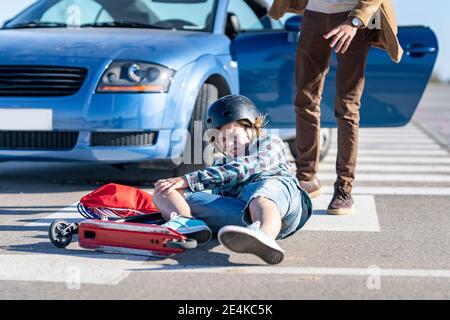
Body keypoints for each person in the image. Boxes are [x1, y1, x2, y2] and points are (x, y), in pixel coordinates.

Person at [268, 0, 403, 215]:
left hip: (352, 18)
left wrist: (354, 22)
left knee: (348, 105)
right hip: (314, 15)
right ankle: (306, 177)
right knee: (305, 100)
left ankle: (344, 188)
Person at [152, 95, 312, 265]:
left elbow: (244, 168)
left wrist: (188, 179)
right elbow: (217, 198)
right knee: (166, 189)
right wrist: (172, 195)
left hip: (284, 210)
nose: (228, 144)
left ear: (252, 127)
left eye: (233, 136)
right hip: (243, 216)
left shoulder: (269, 143)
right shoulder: (221, 163)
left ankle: (264, 236)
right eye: (222, 140)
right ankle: (186, 223)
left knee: (260, 196)